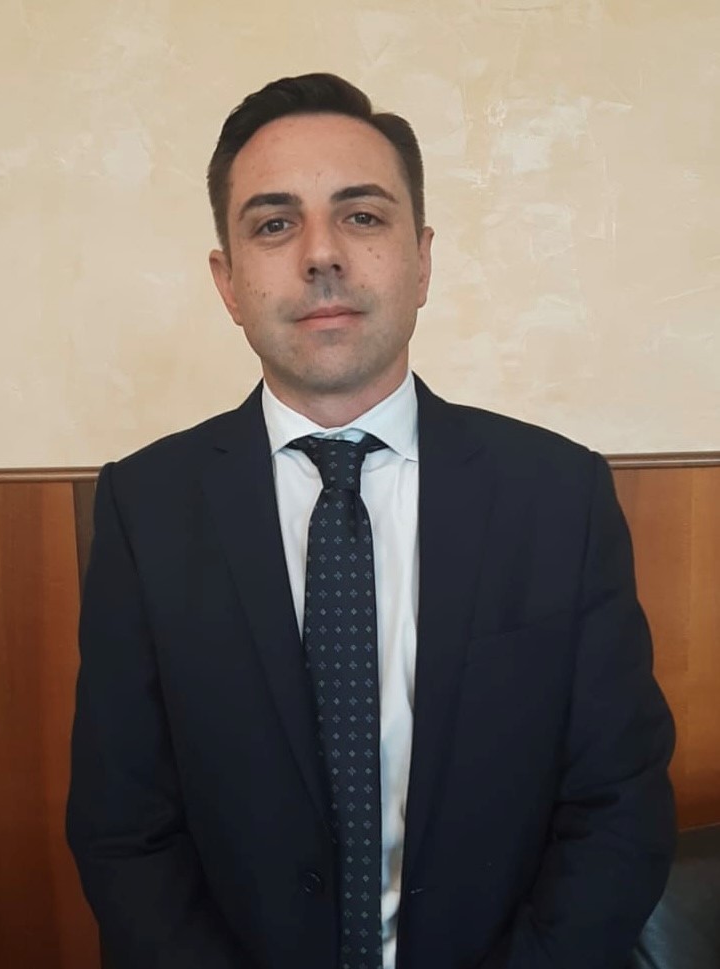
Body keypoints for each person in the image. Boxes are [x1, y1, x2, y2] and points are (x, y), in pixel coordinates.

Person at [67, 73, 676, 969]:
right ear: (227, 282)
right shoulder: (144, 507)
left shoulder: (558, 495)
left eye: (361, 216)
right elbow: (124, 828)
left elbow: (617, 805)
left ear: (421, 260)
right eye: (274, 224)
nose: (321, 254)